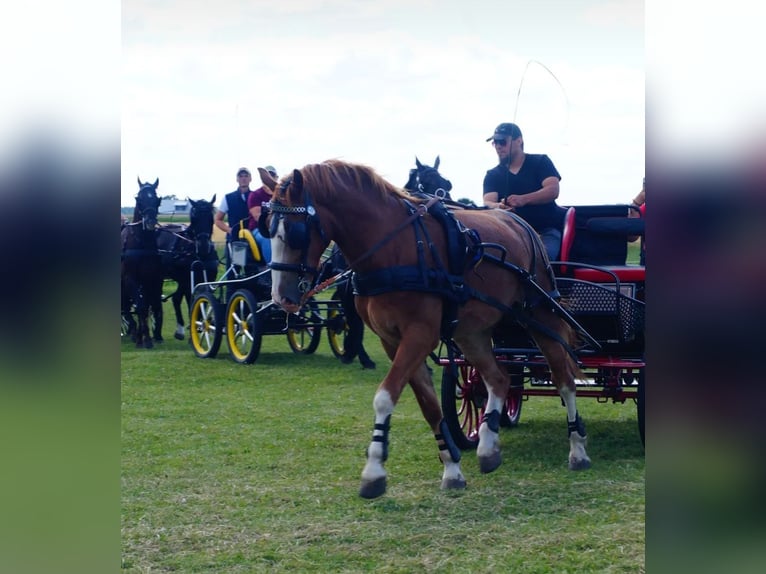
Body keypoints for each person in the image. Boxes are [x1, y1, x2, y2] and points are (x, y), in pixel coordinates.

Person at [482, 122, 565, 260]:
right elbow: (488, 202)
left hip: (545, 232)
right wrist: (499, 206)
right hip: (509, 234)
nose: (498, 146)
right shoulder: (492, 175)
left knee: (541, 260)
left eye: (502, 141)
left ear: (519, 141)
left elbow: (553, 190)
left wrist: (523, 199)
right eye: (495, 142)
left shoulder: (541, 162)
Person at [215, 167, 253, 269]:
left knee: (253, 271)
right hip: (237, 241)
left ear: (250, 179)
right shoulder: (228, 198)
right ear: (237, 179)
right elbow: (218, 219)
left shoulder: (255, 196)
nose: (243, 179)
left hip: (253, 240)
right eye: (241, 176)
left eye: (246, 176)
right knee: (235, 270)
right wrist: (229, 230)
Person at [246, 165, 278, 263]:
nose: (270, 178)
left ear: (276, 178)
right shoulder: (255, 195)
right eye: (267, 176)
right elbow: (258, 217)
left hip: (278, 227)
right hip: (260, 229)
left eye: (272, 175)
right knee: (267, 238)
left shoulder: (281, 195)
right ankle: (272, 267)